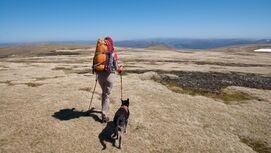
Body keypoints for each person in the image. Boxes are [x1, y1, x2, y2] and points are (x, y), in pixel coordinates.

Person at [92, 36, 122, 123]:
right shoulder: (112, 53)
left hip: (100, 76)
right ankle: (104, 115)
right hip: (109, 76)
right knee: (106, 95)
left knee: (104, 94)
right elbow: (117, 67)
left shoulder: (99, 52)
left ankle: (103, 111)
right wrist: (120, 69)